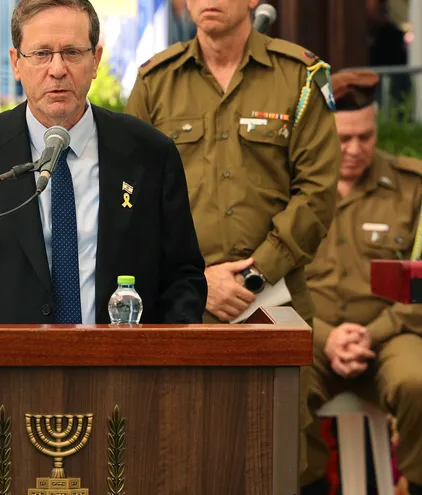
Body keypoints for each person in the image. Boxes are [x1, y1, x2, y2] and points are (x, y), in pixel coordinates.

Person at [0, 0, 207, 325]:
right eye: (41, 54)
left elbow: (183, 277)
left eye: (72, 52)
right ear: (16, 63)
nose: (57, 69)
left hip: (122, 367)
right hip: (6, 368)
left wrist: (159, 362)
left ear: (95, 60)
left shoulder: (149, 151)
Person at [124, 0, 340, 326]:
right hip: (179, 302)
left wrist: (258, 272)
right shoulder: (155, 81)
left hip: (275, 299)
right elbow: (131, 196)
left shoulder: (299, 76)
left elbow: (317, 191)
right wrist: (198, 280)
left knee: (284, 379)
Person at [299, 70, 422, 495]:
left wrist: (370, 335)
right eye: (343, 138)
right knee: (280, 393)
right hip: (310, 339)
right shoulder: (290, 187)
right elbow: (270, 284)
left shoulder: (410, 187)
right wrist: (327, 338)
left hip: (391, 335)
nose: (355, 149)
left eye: (366, 137)